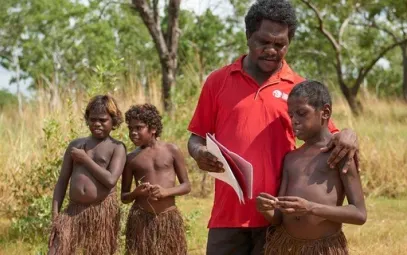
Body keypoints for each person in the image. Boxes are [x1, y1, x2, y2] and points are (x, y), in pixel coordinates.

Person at [187, 0, 359, 254]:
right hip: (227, 215)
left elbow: (328, 136)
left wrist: (348, 134)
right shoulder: (218, 81)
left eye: (280, 45)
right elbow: (196, 138)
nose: (271, 50)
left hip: (278, 219)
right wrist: (200, 153)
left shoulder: (298, 89)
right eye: (263, 42)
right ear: (248, 36)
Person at [257, 80, 366, 254]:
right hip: (287, 247)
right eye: (291, 115)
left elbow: (359, 214)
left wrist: (311, 207)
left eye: (301, 113)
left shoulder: (339, 154)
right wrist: (267, 209)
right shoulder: (291, 158)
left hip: (322, 248)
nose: (294, 121)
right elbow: (278, 218)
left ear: (325, 112)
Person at [49, 95, 126, 255]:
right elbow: (62, 181)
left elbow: (111, 180)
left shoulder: (116, 147)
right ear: (87, 120)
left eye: (103, 120)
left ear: (113, 121)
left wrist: (85, 159)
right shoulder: (75, 145)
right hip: (73, 211)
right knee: (56, 251)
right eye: (92, 119)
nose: (97, 124)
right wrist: (55, 217)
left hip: (101, 211)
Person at [121, 103, 191, 255]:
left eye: (138, 128)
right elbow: (124, 197)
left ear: (153, 128)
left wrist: (166, 192)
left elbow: (186, 186)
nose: (133, 132)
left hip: (168, 218)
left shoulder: (171, 150)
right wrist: (136, 193)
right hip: (140, 219)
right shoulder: (131, 159)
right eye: (130, 129)